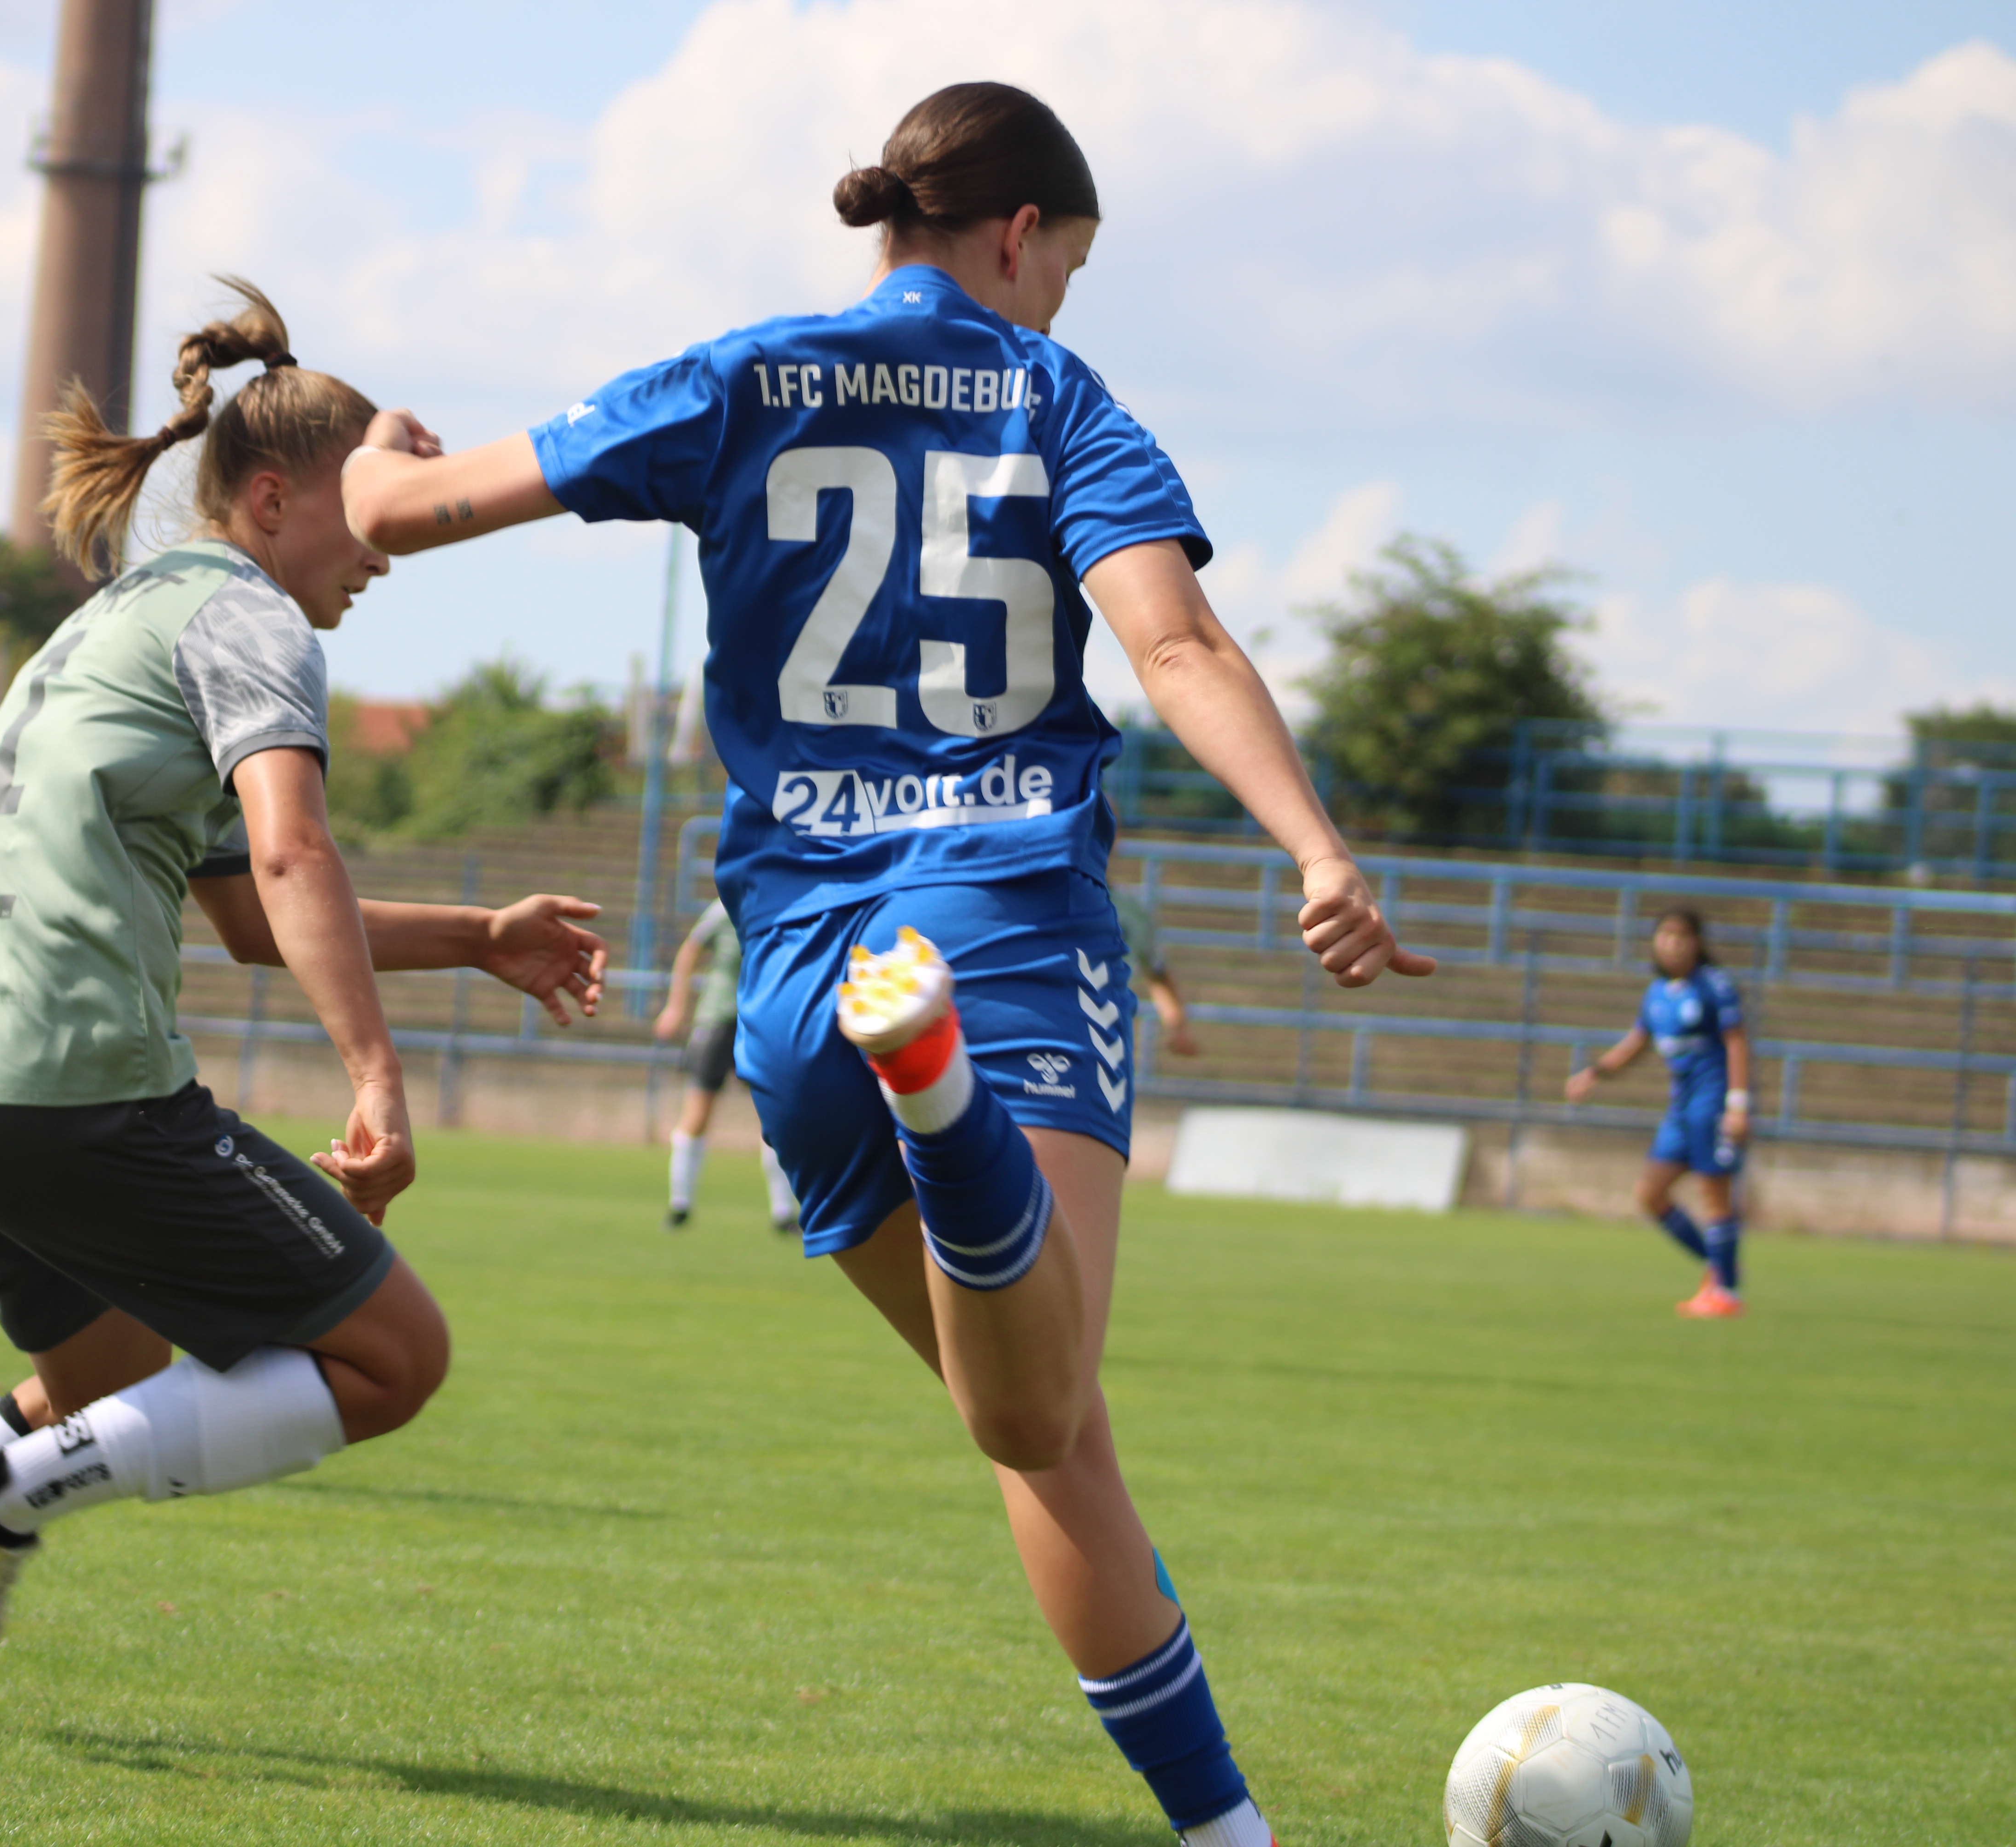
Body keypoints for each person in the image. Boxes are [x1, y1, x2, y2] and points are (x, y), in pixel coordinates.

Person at [341, 84, 1434, 1847]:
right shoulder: (1052, 393)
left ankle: (1230, 1834)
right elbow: (1174, 636)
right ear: (1017, 235)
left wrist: (376, 465)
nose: (1061, 299)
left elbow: (410, 517)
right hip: (997, 923)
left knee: (1036, 1434)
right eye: (1066, 266)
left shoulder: (742, 374)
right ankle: (944, 1095)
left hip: (796, 971)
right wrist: (1312, 845)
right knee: (1047, 1391)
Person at [0, 283, 609, 1726]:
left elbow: (258, 918)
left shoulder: (135, 613)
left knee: (99, 1372)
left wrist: (480, 936)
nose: (389, 548)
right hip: (75, 1079)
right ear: (271, 498)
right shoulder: (256, 622)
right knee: (395, 1356)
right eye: (372, 509)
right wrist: (380, 1089)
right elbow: (292, 847)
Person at [1564, 908, 1751, 1318]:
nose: (1674, 944)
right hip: (1680, 1111)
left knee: (1714, 1197)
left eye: (1683, 936)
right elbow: (1637, 1043)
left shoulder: (1714, 987)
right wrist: (1594, 1073)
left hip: (1712, 1105)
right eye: (1666, 935)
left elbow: (1736, 1042)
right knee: (1651, 1195)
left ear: (1698, 942)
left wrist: (1738, 1104)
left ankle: (1728, 1294)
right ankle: (1719, 1266)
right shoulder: (1657, 994)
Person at [652, 897, 799, 1230]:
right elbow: (691, 949)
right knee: (698, 1113)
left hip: (764, 1024)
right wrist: (676, 1006)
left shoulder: (784, 901)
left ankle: (783, 1213)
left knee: (773, 1118)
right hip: (719, 1020)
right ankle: (680, 1206)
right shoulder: (726, 907)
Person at [1114, 887, 1202, 1059]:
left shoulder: (1132, 911)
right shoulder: (1053, 898)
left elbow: (1157, 974)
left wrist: (1178, 1028)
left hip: (1107, 1030)